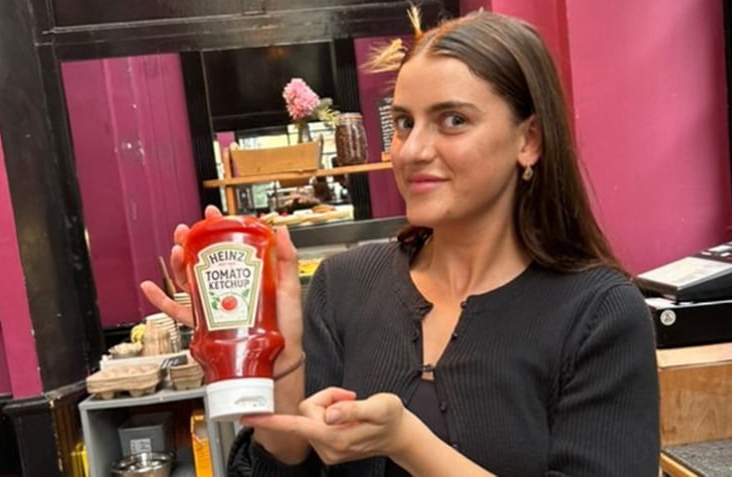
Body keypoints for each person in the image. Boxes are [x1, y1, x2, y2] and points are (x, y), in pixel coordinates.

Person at [142, 9, 660, 477]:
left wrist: (409, 443)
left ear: (529, 141)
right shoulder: (343, 286)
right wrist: (274, 363)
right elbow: (286, 467)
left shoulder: (600, 314)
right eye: (405, 122)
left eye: (452, 120)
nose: (412, 151)